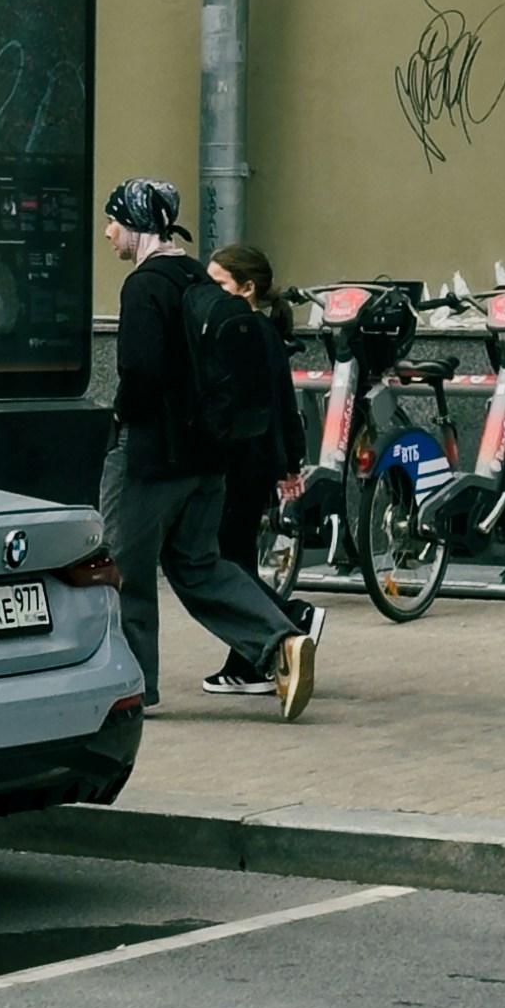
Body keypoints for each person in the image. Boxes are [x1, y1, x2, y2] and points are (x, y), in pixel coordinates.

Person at [98, 176, 320, 718]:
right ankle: (281, 639)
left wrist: (121, 417)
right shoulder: (201, 277)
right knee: (200, 565)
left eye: (115, 222)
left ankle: (133, 688)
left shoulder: (143, 287)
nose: (108, 234)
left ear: (136, 225)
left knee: (122, 570)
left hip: (151, 458)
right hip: (209, 460)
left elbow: (141, 372)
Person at [203, 240, 308, 695]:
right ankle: (251, 654)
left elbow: (274, 403)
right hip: (257, 462)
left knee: (225, 561)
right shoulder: (257, 330)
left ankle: (282, 625)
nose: (208, 295)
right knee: (234, 556)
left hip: (245, 463)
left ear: (246, 288)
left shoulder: (246, 332)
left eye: (218, 284)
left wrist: (287, 465)